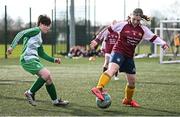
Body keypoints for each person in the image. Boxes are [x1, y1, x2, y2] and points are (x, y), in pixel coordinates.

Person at [91, 8, 169, 107]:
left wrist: (163, 44)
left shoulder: (143, 29)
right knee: (112, 69)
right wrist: (97, 40)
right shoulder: (122, 24)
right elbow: (107, 30)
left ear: (140, 19)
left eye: (138, 20)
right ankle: (98, 88)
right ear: (130, 16)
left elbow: (154, 37)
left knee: (132, 81)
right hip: (118, 51)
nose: (135, 22)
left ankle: (128, 100)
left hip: (129, 56)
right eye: (134, 19)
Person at [6, 15, 69, 107]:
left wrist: (54, 60)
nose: (48, 27)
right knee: (46, 74)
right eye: (46, 25)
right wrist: (12, 46)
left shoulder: (39, 37)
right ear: (40, 24)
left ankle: (55, 101)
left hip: (33, 60)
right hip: (28, 59)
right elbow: (21, 33)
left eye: (49, 25)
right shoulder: (36, 30)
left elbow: (42, 53)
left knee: (48, 79)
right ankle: (30, 92)